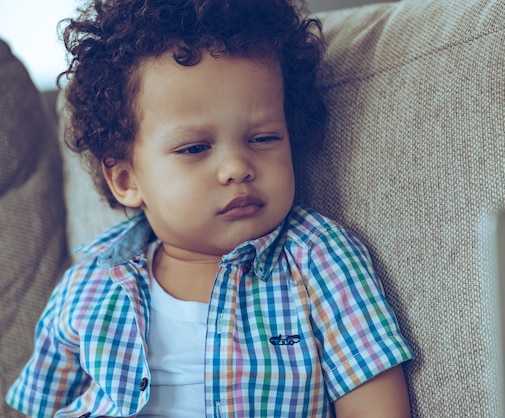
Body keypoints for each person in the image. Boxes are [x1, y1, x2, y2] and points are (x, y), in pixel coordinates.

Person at [5, 0, 414, 416]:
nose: (237, 167)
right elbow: (36, 404)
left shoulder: (320, 261)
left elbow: (376, 407)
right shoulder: (90, 281)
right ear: (127, 180)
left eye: (263, 138)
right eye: (196, 147)